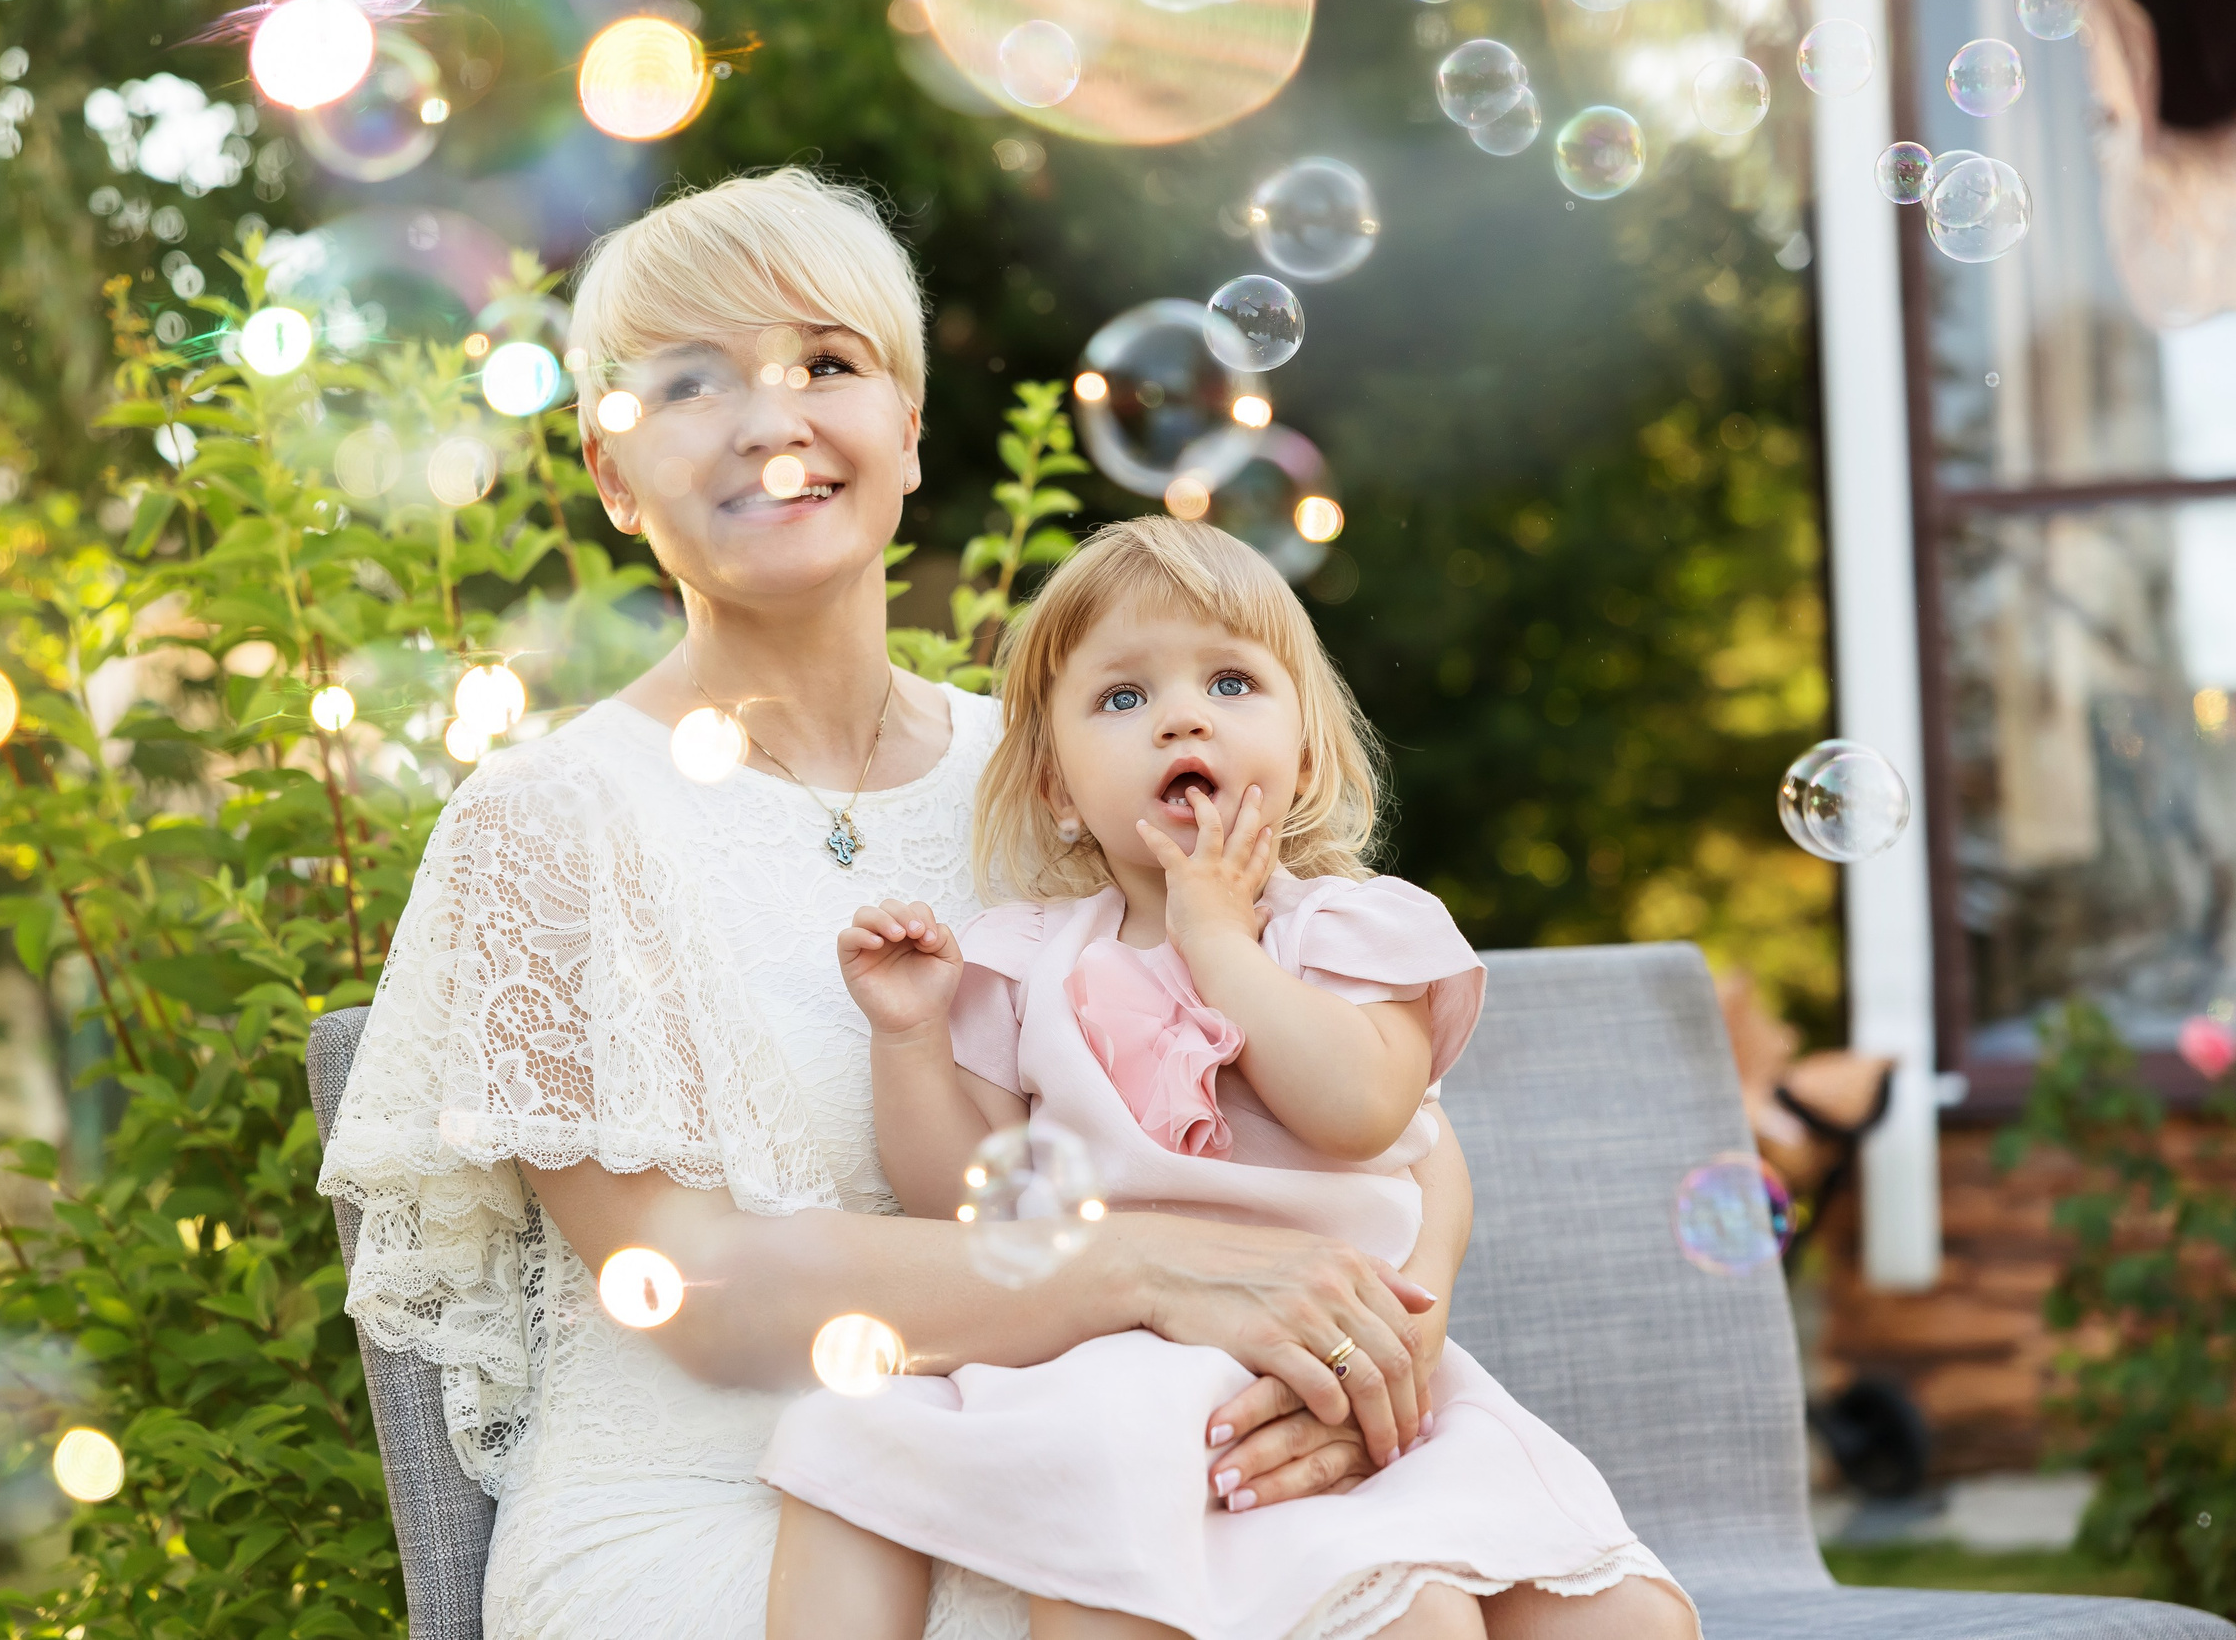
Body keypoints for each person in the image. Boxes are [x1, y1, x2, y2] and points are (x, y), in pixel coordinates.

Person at [317, 169, 1459, 1640]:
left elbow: (1403, 1125)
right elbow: (703, 1286)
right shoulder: (546, 820)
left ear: (907, 432)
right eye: (685, 383)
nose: (769, 420)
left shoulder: (1065, 770)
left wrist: (1365, 1359)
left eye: (828, 364)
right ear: (611, 475)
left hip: (1091, 1443)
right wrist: (1157, 1273)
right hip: (718, 1510)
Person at [760, 520, 1702, 1640]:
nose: (1181, 715)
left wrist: (1220, 942)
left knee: (1628, 1623)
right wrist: (909, 1038)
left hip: (1340, 1360)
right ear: (1059, 788)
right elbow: (962, 1201)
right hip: (1116, 1368)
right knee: (1358, 1615)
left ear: (1303, 755)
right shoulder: (1026, 960)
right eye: (1121, 698)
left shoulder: (1354, 932)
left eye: (1230, 680)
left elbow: (1360, 1112)